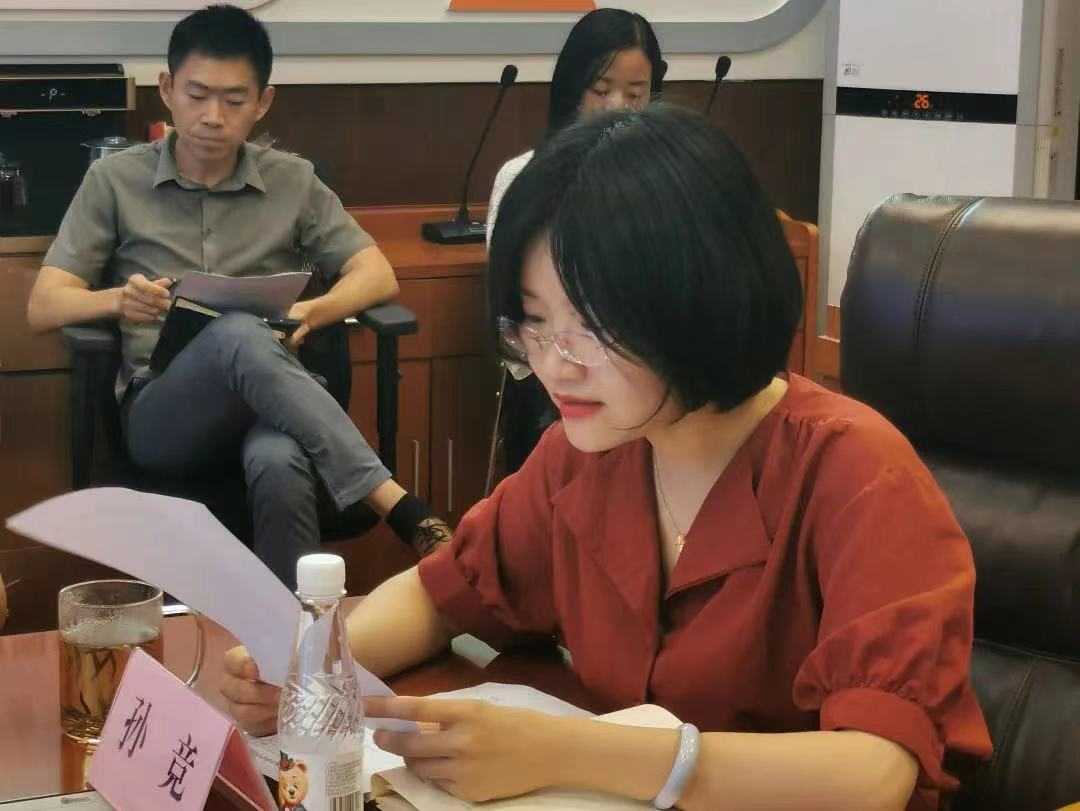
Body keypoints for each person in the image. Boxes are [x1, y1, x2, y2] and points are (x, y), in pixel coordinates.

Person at [222, 105, 991, 810]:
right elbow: (444, 593)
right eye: (533, 323)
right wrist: (309, 670)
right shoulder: (585, 456)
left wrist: (567, 750)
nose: (554, 365)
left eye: (591, 327)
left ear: (699, 300)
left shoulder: (857, 474)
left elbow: (873, 771)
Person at [25, 4, 448, 589]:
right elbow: (45, 304)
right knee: (237, 331)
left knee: (279, 459)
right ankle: (398, 504)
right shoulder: (115, 180)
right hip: (165, 415)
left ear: (263, 102)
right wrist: (119, 300)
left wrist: (311, 310)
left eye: (233, 100)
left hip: (272, 406)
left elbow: (376, 274)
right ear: (167, 90)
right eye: (197, 95)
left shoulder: (293, 180)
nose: (213, 117)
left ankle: (291, 636)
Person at [487, 8, 666, 478]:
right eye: (601, 90)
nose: (617, 108)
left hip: (646, 388)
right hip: (549, 386)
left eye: (635, 94)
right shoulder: (524, 177)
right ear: (572, 89)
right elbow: (510, 311)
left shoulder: (667, 187)